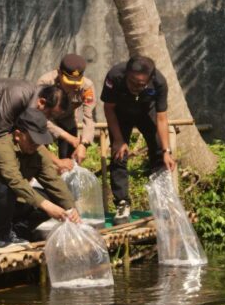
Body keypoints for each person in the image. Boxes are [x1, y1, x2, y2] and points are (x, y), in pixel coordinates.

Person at [0, 108, 81, 246]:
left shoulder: (38, 151)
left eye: (39, 141)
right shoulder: (1, 148)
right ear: (18, 135)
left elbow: (53, 181)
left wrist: (71, 208)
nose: (36, 145)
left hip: (10, 202)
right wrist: (48, 207)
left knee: (50, 198)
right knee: (3, 188)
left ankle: (16, 231)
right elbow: (15, 181)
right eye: (32, 140)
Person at [101, 55, 176, 225]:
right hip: (120, 114)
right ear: (126, 74)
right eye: (132, 82)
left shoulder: (159, 82)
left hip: (146, 112)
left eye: (141, 84)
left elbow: (162, 118)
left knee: (159, 150)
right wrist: (119, 140)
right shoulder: (114, 76)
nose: (136, 87)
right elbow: (109, 108)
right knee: (119, 154)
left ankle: (162, 200)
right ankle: (122, 203)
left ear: (150, 79)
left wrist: (166, 151)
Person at [0, 78, 74, 171]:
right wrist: (56, 162)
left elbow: (34, 139)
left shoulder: (36, 100)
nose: (48, 119)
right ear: (42, 102)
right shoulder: (18, 94)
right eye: (50, 115)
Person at [37, 54, 96, 164]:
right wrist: (67, 136)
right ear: (59, 73)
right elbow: (38, 116)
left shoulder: (87, 87)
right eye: (69, 82)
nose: (74, 86)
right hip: (45, 122)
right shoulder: (45, 83)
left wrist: (84, 143)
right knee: (40, 158)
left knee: (70, 160)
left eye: (77, 82)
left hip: (68, 121)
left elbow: (89, 118)